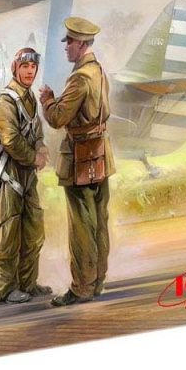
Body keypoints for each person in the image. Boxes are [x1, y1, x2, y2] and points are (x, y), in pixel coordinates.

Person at [39, 17, 116, 305]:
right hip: (99, 154)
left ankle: (82, 287)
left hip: (81, 157)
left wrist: (48, 100)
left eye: (70, 42)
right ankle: (97, 282)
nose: (66, 47)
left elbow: (58, 118)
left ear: (81, 44)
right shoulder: (99, 71)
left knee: (82, 226)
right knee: (98, 222)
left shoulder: (80, 78)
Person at [0, 48, 52, 303]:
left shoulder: (30, 99)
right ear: (15, 68)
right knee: (5, 234)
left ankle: (28, 283)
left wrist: (41, 146)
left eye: (33, 67)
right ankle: (6, 289)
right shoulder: (4, 102)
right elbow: (10, 140)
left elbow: (36, 130)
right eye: (25, 66)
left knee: (33, 231)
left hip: (26, 177)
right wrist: (34, 157)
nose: (30, 71)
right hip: (4, 178)